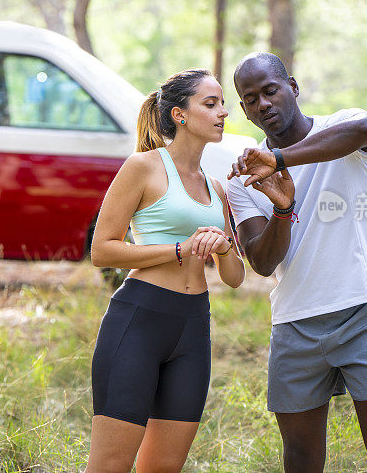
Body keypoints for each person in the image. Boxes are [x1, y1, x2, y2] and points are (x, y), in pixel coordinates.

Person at [226, 52, 367, 473]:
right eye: (251, 99)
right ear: (244, 109)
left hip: (364, 313)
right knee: (300, 458)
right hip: (295, 324)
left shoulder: (341, 126)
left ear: (292, 86)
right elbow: (261, 260)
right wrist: (282, 208)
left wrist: (281, 160)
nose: (264, 104)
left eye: (270, 90)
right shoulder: (245, 176)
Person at [85, 69, 245, 473]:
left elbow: (234, 277)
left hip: (193, 328)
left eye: (222, 103)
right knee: (110, 465)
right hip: (139, 319)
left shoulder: (217, 187)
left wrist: (224, 246)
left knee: (163, 469)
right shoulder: (143, 167)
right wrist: (179, 249)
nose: (223, 112)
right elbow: (102, 251)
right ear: (179, 114)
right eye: (210, 104)